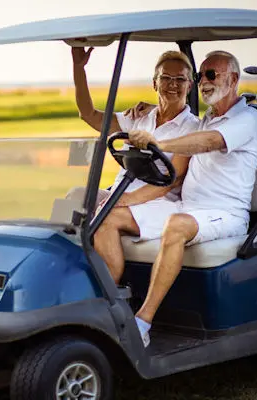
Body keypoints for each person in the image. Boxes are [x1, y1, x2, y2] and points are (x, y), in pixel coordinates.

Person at [124, 50, 257, 346]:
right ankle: (113, 305)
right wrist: (154, 108)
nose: (204, 81)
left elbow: (209, 142)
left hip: (225, 213)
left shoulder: (247, 119)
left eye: (212, 75)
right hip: (189, 207)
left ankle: (142, 323)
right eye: (201, 76)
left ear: (234, 79)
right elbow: (191, 130)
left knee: (175, 225)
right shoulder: (208, 118)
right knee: (114, 214)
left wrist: (158, 142)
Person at [70, 47, 199, 275]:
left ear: (189, 85)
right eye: (166, 78)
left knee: (106, 215)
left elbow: (173, 180)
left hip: (158, 203)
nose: (172, 84)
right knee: (74, 198)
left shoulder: (192, 127)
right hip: (123, 194)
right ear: (154, 83)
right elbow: (88, 114)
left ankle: (109, 299)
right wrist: (79, 68)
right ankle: (64, 275)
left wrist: (125, 200)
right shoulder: (139, 117)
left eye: (180, 79)